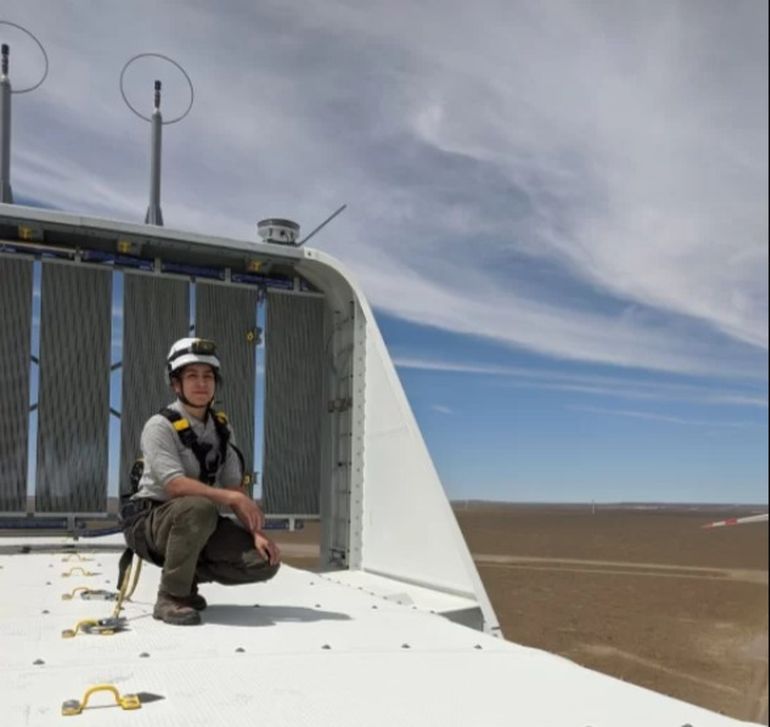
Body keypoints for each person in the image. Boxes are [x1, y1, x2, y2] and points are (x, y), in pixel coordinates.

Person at [121, 336, 280, 625]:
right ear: (175, 383)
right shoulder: (159, 426)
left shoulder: (221, 428)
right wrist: (232, 499)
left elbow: (234, 485)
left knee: (264, 562)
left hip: (195, 522)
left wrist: (256, 531)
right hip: (151, 523)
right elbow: (175, 486)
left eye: (208, 376)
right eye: (191, 376)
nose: (201, 383)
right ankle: (171, 596)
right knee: (199, 506)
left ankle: (184, 575)